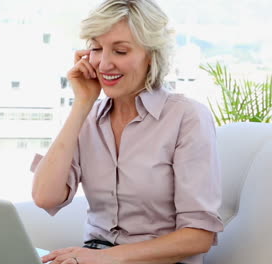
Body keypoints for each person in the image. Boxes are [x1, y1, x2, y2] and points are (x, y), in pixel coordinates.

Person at [31, 1, 223, 263]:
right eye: (97, 49)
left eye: (120, 51)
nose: (104, 63)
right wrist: (81, 105)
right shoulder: (88, 118)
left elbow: (198, 236)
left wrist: (107, 258)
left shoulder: (186, 117)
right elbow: (45, 197)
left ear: (152, 56)